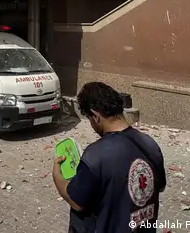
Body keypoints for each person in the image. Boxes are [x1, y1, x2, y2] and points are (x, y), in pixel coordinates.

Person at [52, 82, 165, 232]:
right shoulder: (150, 144)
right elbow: (160, 186)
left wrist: (57, 176)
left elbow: (77, 202)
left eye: (90, 119)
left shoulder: (95, 156)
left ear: (96, 116)